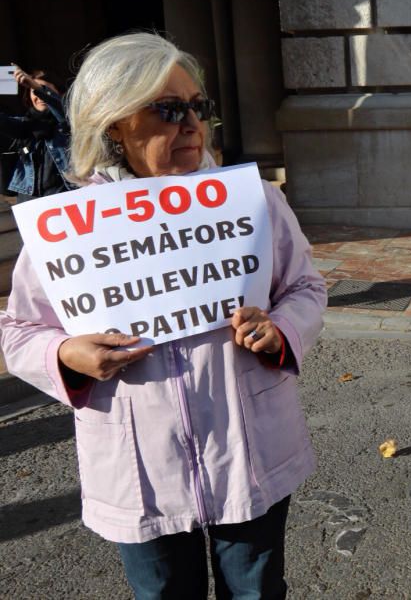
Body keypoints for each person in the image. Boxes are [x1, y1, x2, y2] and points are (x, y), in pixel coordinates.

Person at [0, 33, 327, 599]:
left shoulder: (251, 200)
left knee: (256, 589)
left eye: (198, 107)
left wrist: (282, 331)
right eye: (169, 109)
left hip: (250, 449)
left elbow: (304, 286)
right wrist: (65, 354)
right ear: (115, 123)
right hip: (137, 466)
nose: (192, 124)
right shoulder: (72, 225)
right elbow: (20, 330)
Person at [0, 67, 74, 200]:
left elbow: (62, 111)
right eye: (33, 91)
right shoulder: (24, 125)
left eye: (44, 89)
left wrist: (36, 87)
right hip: (31, 203)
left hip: (66, 198)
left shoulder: (71, 121)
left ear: (59, 93)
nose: (38, 96)